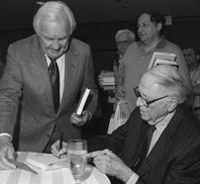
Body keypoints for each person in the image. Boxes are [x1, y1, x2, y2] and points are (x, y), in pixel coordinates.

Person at [52, 65, 200, 184]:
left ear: (171, 104)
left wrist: (126, 175)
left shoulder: (192, 142)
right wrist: (77, 149)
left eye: (146, 100)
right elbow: (115, 140)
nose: (137, 103)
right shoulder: (142, 113)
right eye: (138, 94)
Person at [0, 1, 98, 170]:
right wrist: (3, 137)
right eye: (49, 38)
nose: (56, 45)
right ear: (38, 33)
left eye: (63, 38)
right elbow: (8, 97)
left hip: (67, 143)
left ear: (70, 32)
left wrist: (86, 114)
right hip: (27, 143)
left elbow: (90, 90)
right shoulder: (18, 51)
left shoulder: (83, 51)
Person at [117, 12, 191, 116]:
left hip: (157, 117)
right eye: (138, 26)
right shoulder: (131, 48)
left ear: (158, 26)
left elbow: (186, 86)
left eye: (145, 25)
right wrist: (119, 85)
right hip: (128, 116)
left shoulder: (173, 50)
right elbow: (121, 73)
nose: (139, 30)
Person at [98, 29, 135, 134]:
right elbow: (105, 85)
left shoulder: (138, 60)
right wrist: (104, 82)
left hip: (131, 107)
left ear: (133, 43)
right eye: (119, 43)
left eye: (125, 42)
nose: (121, 45)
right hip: (111, 109)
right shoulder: (111, 60)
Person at [183, 48, 200, 121]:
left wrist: (184, 90)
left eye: (189, 55)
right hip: (187, 111)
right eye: (184, 55)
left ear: (197, 57)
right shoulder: (183, 72)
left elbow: (198, 90)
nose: (186, 58)